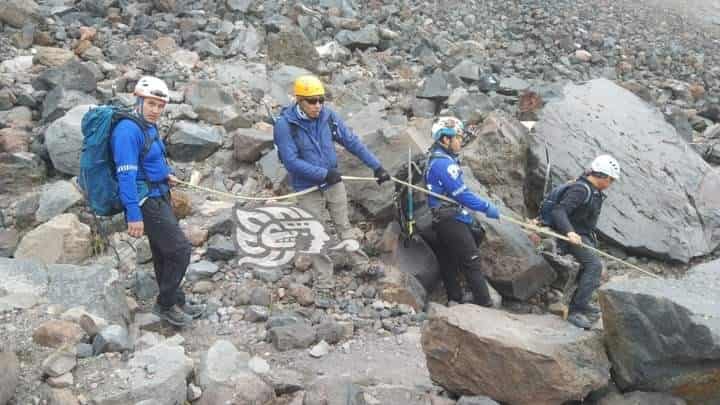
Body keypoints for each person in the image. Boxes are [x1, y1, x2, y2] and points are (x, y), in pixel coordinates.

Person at [273, 75, 390, 306]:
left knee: (343, 225)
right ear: (299, 100)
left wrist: (377, 166)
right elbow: (291, 162)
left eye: (321, 100)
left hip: (332, 181)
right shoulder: (285, 126)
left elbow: (351, 141)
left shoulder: (327, 116)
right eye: (312, 101)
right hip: (306, 186)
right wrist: (323, 174)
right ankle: (324, 283)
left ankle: (361, 266)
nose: (318, 105)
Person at [112, 76, 203, 327]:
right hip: (144, 200)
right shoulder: (128, 130)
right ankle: (165, 305)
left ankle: (175, 300)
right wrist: (133, 213)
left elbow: (149, 160)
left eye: (160, 106)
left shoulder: (147, 126)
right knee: (180, 250)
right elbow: (126, 174)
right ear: (139, 101)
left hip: (159, 191)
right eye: (151, 104)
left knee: (164, 250)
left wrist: (165, 175)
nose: (156, 110)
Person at [424, 116, 501, 307]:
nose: (460, 141)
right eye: (457, 138)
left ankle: (454, 298)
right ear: (445, 140)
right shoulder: (444, 164)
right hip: (450, 219)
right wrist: (486, 207)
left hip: (441, 219)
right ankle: (485, 303)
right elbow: (463, 195)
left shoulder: (436, 157)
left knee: (448, 260)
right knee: (471, 260)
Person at [550, 154, 620, 329]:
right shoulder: (582, 189)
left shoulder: (594, 191)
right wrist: (570, 232)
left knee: (593, 266)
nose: (611, 184)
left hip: (582, 235)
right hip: (567, 236)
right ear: (602, 176)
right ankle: (576, 311)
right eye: (611, 180)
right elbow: (559, 211)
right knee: (594, 266)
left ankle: (579, 301)